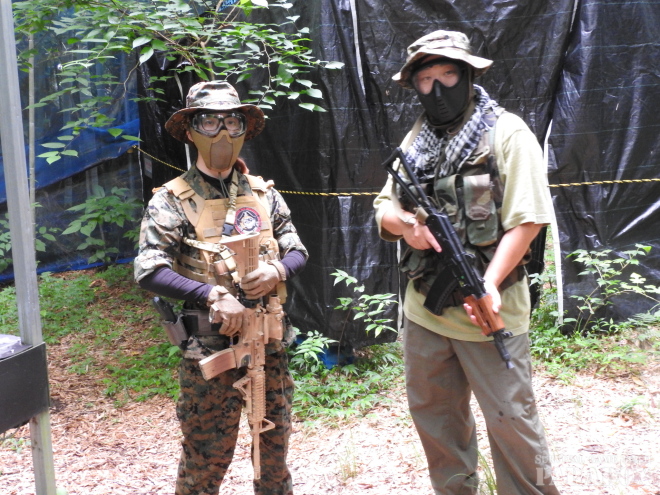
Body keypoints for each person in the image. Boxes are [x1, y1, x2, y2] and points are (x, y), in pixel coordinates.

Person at [373, 30, 561, 494]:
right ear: (414, 85)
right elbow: (384, 207)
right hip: (426, 312)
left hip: (490, 312)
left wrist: (490, 283)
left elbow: (528, 220)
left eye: (448, 75)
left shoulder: (506, 132)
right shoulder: (418, 138)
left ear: (469, 75)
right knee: (437, 422)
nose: (437, 89)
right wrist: (407, 226)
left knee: (514, 422)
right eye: (426, 79)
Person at [134, 80, 307, 495]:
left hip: (268, 345)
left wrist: (277, 271)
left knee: (274, 455)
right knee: (205, 460)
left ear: (244, 129)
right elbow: (148, 270)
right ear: (190, 131)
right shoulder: (171, 201)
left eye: (232, 122)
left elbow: (297, 250)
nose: (223, 133)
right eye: (210, 123)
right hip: (211, 349)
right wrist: (211, 293)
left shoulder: (263, 194)